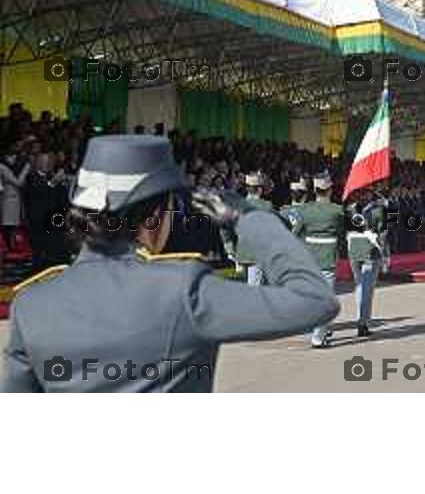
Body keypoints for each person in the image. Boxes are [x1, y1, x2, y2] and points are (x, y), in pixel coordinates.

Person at [0, 135, 339, 393]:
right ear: (156, 217)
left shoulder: (32, 304)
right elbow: (315, 300)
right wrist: (249, 219)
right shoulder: (183, 291)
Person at [296, 172, 344, 348]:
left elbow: (296, 233)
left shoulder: (305, 209)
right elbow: (342, 233)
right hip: (328, 257)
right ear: (329, 189)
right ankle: (318, 336)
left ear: (315, 190)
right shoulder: (336, 210)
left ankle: (321, 328)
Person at [346, 190, 386, 337]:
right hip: (371, 250)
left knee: (359, 286)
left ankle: (361, 318)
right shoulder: (378, 210)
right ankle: (362, 322)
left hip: (354, 250)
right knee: (367, 289)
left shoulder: (350, 209)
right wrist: (385, 254)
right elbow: (383, 232)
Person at [234, 172, 273, 285]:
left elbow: (225, 228)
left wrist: (230, 249)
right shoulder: (266, 206)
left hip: (242, 251)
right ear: (260, 189)